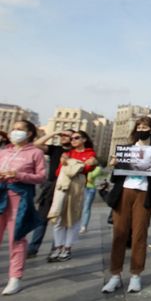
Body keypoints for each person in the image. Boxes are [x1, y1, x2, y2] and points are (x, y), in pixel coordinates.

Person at [101, 116, 151, 294]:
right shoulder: (127, 150)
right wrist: (114, 165)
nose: (141, 129)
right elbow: (115, 177)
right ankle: (115, 275)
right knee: (119, 234)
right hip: (124, 192)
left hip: (144, 194)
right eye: (139, 126)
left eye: (145, 127)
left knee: (139, 235)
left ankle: (136, 275)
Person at [0, 120, 46, 295]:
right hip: (0, 194)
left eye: (19, 129)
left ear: (29, 134)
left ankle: (15, 277)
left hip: (19, 197)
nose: (14, 132)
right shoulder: (4, 152)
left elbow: (41, 177)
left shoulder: (35, 153)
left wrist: (18, 175)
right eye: (13, 129)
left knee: (16, 237)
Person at [47, 130, 98, 262]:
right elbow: (59, 171)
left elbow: (88, 168)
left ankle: (67, 247)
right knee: (58, 217)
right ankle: (58, 246)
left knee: (73, 218)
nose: (73, 140)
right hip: (62, 187)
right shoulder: (67, 153)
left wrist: (71, 164)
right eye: (72, 138)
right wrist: (72, 163)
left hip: (77, 189)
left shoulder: (89, 153)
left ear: (84, 139)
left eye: (76, 137)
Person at [29, 129, 74, 257]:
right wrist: (54, 133)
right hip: (50, 186)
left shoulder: (75, 152)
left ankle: (56, 248)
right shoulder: (55, 149)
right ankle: (33, 248)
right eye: (62, 135)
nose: (63, 137)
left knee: (60, 221)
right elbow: (36, 145)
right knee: (42, 219)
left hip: (66, 187)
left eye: (67, 135)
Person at [80, 163, 105, 234]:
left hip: (90, 189)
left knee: (86, 207)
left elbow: (90, 177)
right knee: (80, 207)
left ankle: (84, 226)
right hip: (82, 188)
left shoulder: (98, 168)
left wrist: (88, 169)